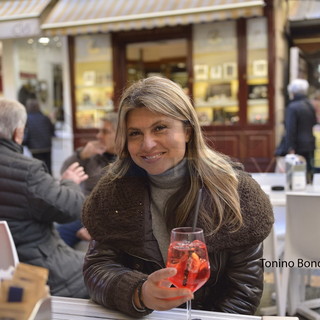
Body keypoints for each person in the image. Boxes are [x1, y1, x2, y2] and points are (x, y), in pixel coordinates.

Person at [82, 76, 274, 317]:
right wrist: (139, 293)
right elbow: (97, 268)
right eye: (135, 133)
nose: (147, 144)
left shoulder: (234, 190)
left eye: (159, 128)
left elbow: (244, 289)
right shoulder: (113, 191)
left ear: (188, 131)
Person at [0, 98, 89, 298]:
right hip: (32, 268)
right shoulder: (26, 170)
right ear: (18, 133)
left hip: (9, 268)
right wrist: (69, 182)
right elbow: (71, 209)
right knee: (98, 271)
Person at [57, 113, 118, 248]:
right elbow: (64, 171)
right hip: (82, 210)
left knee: (60, 234)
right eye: (99, 131)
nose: (98, 136)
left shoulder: (125, 162)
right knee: (54, 229)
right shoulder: (92, 155)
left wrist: (98, 225)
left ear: (120, 135)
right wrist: (82, 155)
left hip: (102, 216)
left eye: (105, 132)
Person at [285, 79, 317, 182]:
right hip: (310, 142)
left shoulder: (293, 107)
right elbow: (314, 122)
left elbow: (291, 128)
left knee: (298, 171)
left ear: (293, 92)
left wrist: (290, 146)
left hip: (298, 144)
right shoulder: (310, 105)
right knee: (309, 168)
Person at [23, 98, 55, 174]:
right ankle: (50, 183)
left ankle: (41, 183)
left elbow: (26, 133)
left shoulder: (27, 118)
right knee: (48, 167)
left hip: (34, 147)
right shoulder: (45, 117)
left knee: (38, 167)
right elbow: (52, 130)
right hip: (47, 146)